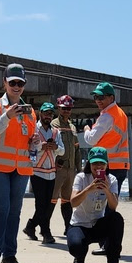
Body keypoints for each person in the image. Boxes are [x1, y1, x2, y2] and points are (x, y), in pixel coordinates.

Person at [0, 63, 36, 263]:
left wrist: (36, 142)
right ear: (4, 82)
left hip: (21, 168)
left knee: (14, 212)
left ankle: (9, 255)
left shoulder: (30, 112)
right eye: (12, 82)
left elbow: (30, 139)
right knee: (1, 209)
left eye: (20, 83)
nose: (16, 86)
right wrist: (7, 116)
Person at [67, 146, 124, 263]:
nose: (98, 167)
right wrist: (89, 189)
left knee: (116, 219)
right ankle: (80, 257)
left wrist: (107, 190)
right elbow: (73, 202)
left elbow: (113, 206)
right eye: (95, 163)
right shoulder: (81, 178)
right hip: (79, 224)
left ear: (107, 164)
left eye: (102, 163)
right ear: (89, 164)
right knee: (76, 247)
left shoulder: (112, 180)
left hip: (98, 224)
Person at [23, 102, 63, 244]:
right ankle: (46, 232)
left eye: (50, 114)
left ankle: (30, 226)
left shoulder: (56, 132)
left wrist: (56, 147)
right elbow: (30, 148)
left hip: (51, 172)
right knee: (41, 205)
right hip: (37, 172)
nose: (48, 116)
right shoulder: (34, 129)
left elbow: (62, 151)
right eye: (46, 113)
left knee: (47, 205)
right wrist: (42, 146)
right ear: (40, 114)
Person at [83, 81, 130, 194]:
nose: (98, 100)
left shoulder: (107, 116)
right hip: (120, 166)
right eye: (96, 97)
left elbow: (91, 139)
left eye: (101, 97)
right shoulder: (121, 114)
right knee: (112, 201)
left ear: (111, 98)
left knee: (101, 203)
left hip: (106, 166)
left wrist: (86, 130)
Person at [50, 94, 81, 236]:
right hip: (58, 168)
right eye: (64, 108)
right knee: (51, 199)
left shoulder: (73, 127)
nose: (66, 111)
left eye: (68, 108)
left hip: (70, 169)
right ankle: (39, 226)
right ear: (58, 108)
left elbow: (77, 148)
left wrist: (79, 169)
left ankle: (68, 228)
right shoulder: (53, 124)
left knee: (67, 200)